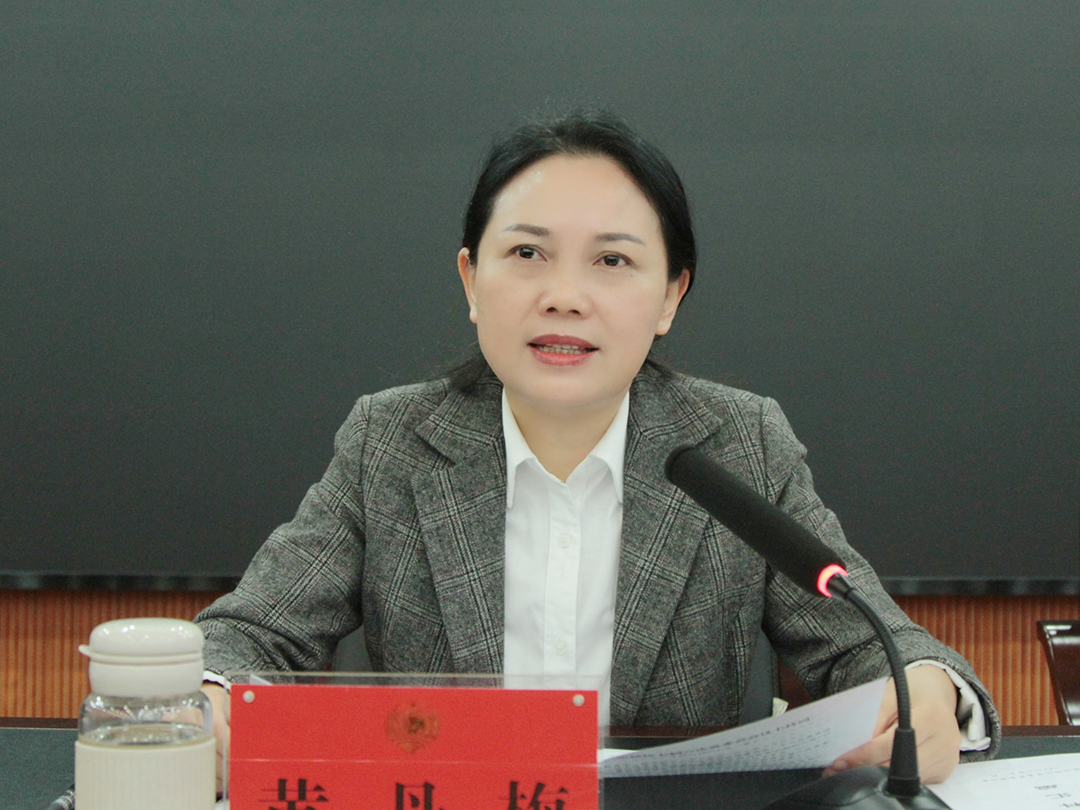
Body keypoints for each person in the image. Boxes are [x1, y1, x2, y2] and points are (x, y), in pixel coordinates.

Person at [196, 109, 999, 789]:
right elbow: (250, 634)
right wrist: (213, 697)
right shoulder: (392, 442)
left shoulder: (739, 442)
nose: (564, 296)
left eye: (612, 260)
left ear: (671, 295)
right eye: (527, 254)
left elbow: (873, 643)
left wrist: (928, 695)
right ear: (471, 281)